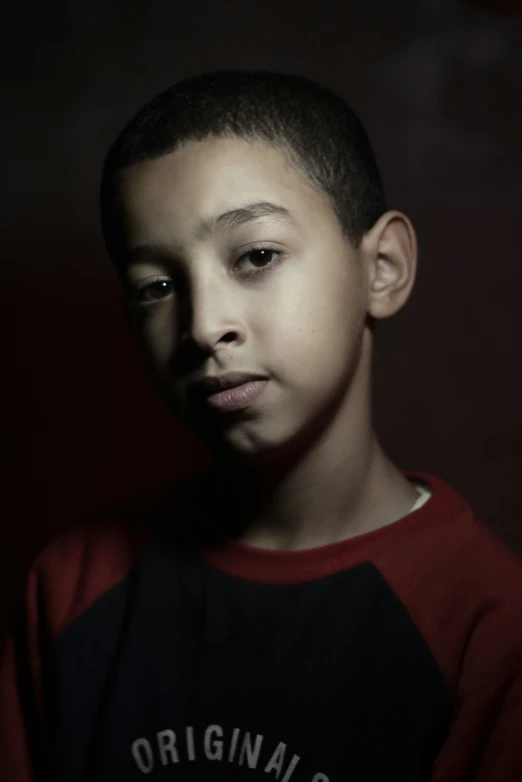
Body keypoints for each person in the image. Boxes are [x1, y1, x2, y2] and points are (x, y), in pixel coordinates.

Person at [1, 70, 521, 782]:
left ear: (384, 268)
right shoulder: (71, 588)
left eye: (256, 256)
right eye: (156, 287)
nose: (204, 327)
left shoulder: (489, 626)